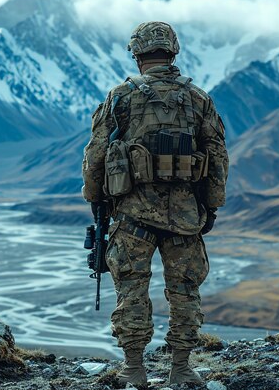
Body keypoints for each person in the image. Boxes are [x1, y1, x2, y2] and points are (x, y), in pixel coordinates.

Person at [81, 21, 229, 386]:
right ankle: (181, 368)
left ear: (137, 55)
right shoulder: (199, 99)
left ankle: (134, 369)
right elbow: (217, 155)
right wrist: (210, 207)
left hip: (132, 214)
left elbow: (96, 155)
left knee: (131, 288)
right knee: (185, 291)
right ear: (173, 51)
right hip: (184, 215)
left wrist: (95, 200)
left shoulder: (120, 97)